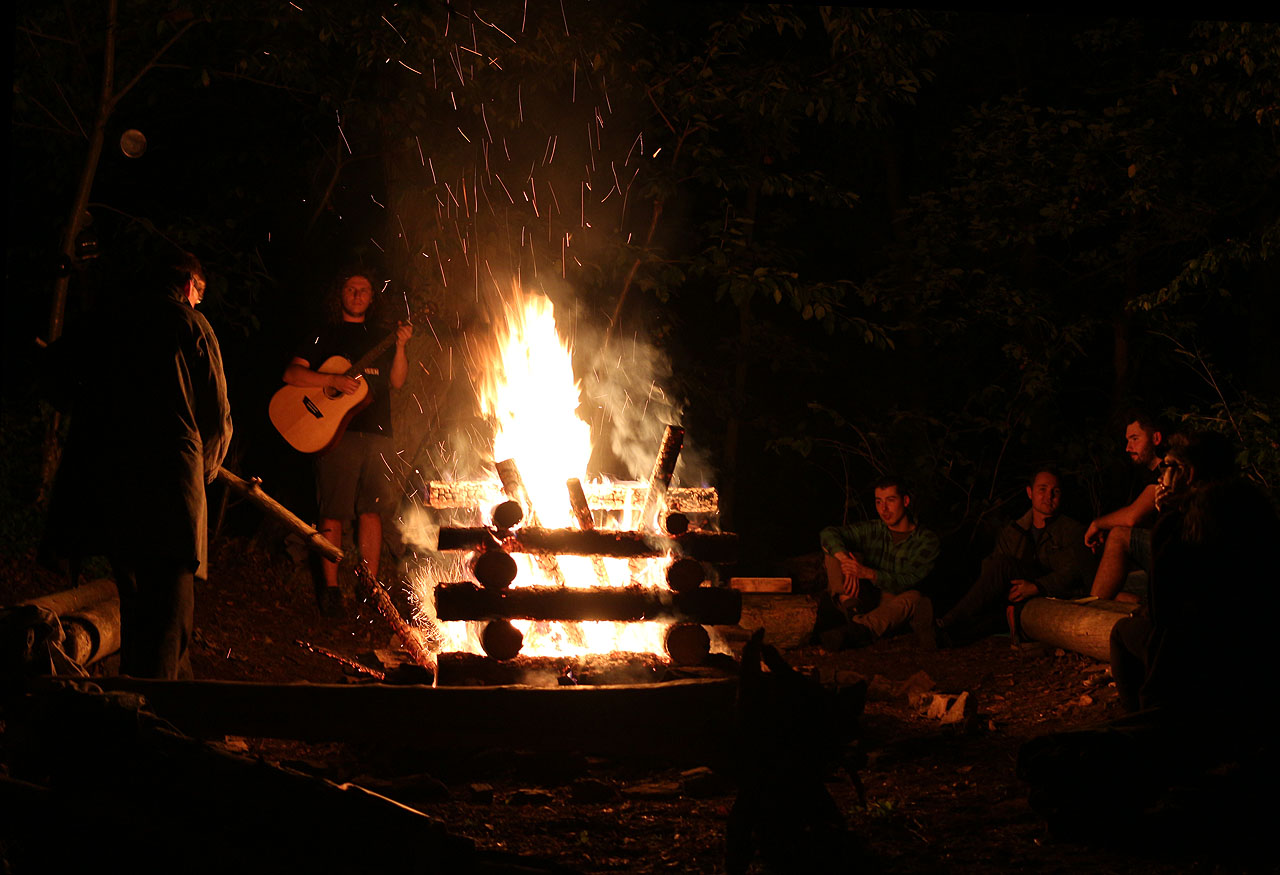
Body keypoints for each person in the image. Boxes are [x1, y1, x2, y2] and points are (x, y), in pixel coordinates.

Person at [45, 250, 232, 679]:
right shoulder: (191, 324)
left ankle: (139, 693)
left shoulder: (107, 319)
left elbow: (54, 375)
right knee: (170, 602)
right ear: (189, 285)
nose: (198, 303)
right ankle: (159, 709)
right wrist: (204, 471)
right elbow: (217, 417)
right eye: (199, 294)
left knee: (131, 593)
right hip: (171, 481)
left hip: (110, 480)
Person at [1108, 430, 1275, 714]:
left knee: (1123, 633)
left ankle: (1143, 717)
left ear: (1188, 471)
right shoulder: (1255, 504)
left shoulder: (1186, 519)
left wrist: (1166, 514)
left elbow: (1165, 611)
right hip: (1260, 649)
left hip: (1204, 653)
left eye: (1167, 467)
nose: (1161, 476)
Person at [282, 270, 412, 614]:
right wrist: (332, 380)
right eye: (351, 288)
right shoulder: (324, 334)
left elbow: (397, 382)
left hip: (378, 433)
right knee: (332, 512)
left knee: (372, 511)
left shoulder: (382, 337)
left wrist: (400, 346)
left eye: (364, 289)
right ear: (340, 294)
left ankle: (370, 587)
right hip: (336, 434)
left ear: (372, 297)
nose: (357, 294)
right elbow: (292, 375)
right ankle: (331, 589)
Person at [937, 469, 1094, 645]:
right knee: (997, 585)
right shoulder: (1014, 531)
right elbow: (993, 570)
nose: (1049, 496)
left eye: (1055, 491)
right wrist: (1008, 591)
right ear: (1030, 492)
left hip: (1051, 594)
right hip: (1017, 595)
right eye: (1042, 489)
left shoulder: (1072, 530)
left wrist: (1037, 586)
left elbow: (1072, 572)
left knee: (1005, 573)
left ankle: (946, 623)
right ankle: (945, 635)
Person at [816, 477, 941, 650]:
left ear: (905, 501)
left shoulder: (926, 540)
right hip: (861, 598)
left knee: (915, 598)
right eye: (878, 502)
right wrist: (845, 559)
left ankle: (857, 629)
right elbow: (828, 533)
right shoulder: (874, 529)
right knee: (834, 553)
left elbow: (910, 579)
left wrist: (869, 573)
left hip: (893, 604)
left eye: (890, 500)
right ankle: (853, 616)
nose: (884, 509)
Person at [1084, 412, 1166, 601]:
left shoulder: (1168, 472)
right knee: (1112, 584)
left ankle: (1088, 613)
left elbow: (1131, 517)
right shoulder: (1145, 476)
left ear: (1156, 438)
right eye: (1127, 441)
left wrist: (1098, 524)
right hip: (1163, 564)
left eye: (1135, 439)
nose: (1129, 447)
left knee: (1119, 535)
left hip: (1181, 557)